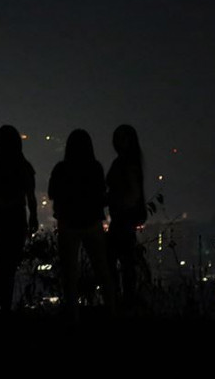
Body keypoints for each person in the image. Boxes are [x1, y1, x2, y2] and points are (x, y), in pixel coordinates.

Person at [48, 129, 115, 321]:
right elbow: (102, 195)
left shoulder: (61, 169)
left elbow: (52, 193)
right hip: (92, 223)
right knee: (102, 269)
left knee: (69, 273)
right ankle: (111, 311)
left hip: (68, 224)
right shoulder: (95, 168)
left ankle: (73, 316)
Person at [0, 125, 38, 315]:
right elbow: (31, 197)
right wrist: (33, 217)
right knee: (9, 265)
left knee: (1, 260)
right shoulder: (24, 168)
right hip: (16, 219)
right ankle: (5, 306)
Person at [106, 124, 146, 310]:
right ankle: (125, 301)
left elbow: (132, 193)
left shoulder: (125, 163)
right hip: (124, 219)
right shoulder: (130, 162)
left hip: (122, 219)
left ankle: (119, 301)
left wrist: (117, 203)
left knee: (115, 260)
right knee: (125, 261)